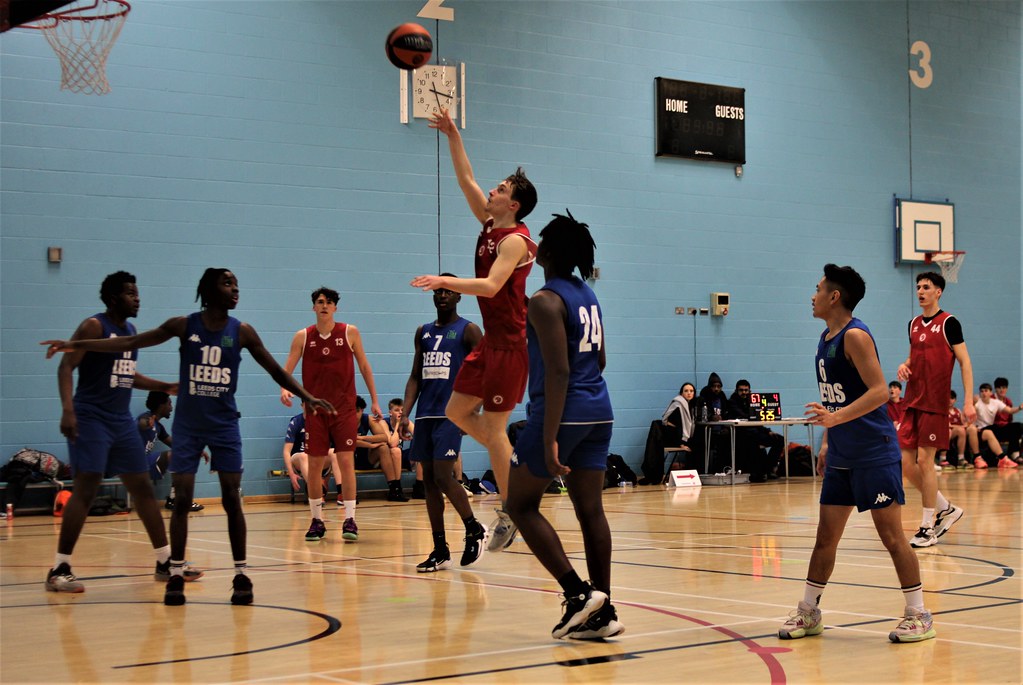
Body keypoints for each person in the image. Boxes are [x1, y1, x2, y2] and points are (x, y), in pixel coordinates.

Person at [44, 268, 334, 606]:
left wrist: (307, 396)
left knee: (165, 490)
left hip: (172, 421)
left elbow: (274, 369)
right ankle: (73, 568)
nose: (236, 289)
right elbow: (98, 355)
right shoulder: (144, 326)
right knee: (117, 488)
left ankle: (190, 565)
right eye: (228, 284)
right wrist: (73, 368)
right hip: (126, 419)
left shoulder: (237, 331)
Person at [778, 263, 935, 644]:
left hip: (873, 453)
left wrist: (834, 420)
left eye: (817, 289)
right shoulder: (825, 336)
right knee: (824, 537)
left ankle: (919, 614)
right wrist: (830, 443)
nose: (811, 296)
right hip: (843, 456)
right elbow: (840, 398)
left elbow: (881, 391)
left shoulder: (856, 336)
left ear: (835, 296)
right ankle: (809, 611)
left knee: (892, 537)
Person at [410, 107, 538, 552]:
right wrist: (452, 134)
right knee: (455, 412)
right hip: (491, 346)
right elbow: (465, 179)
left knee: (495, 429)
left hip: (510, 346)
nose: (491, 189)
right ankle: (515, 464)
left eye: (500, 189)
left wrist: (444, 281)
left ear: (514, 204)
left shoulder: (515, 241)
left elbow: (489, 285)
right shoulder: (488, 225)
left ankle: (511, 508)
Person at [504, 211, 622, 640]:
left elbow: (558, 372)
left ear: (548, 253)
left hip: (564, 411)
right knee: (591, 510)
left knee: (519, 505)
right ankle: (603, 611)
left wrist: (550, 435)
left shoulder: (544, 300)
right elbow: (601, 360)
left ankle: (576, 594)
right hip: (600, 410)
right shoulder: (587, 294)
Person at [40, 271, 189, 594]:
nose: (137, 298)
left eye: (137, 293)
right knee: (86, 487)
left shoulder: (131, 331)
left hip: (120, 420)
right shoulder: (94, 327)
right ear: (112, 299)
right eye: (131, 294)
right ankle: (59, 568)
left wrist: (164, 386)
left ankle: (165, 562)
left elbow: (127, 375)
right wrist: (68, 409)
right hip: (90, 416)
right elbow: (66, 366)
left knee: (143, 488)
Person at [280, 287, 381, 543]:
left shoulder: (350, 332)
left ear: (335, 307)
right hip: (315, 411)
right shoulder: (303, 337)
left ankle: (350, 518)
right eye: (320, 302)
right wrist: (284, 388)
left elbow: (365, 367)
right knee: (314, 466)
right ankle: (316, 520)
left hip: (344, 410)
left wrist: (375, 401)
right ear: (313, 307)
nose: (324, 305)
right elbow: (287, 369)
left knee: (346, 462)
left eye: (329, 302)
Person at [399, 279, 488, 571]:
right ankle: (440, 548)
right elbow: (415, 376)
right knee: (429, 482)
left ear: (459, 296)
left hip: (452, 412)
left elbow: (485, 369)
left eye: (448, 291)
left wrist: (474, 408)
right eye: (438, 291)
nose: (442, 295)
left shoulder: (469, 329)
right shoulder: (422, 332)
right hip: (425, 414)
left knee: (443, 474)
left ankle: (473, 526)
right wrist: (404, 413)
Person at [896, 272, 972, 548]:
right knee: (906, 463)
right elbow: (914, 355)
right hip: (912, 400)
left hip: (935, 403)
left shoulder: (949, 323)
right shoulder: (913, 324)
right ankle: (946, 508)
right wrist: (905, 366)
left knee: (925, 462)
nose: (920, 291)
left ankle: (928, 526)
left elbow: (964, 362)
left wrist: (968, 402)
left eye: (926, 287)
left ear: (938, 291)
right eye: (918, 287)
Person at [137, 391, 204, 512]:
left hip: (144, 463)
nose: (171, 408)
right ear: (161, 406)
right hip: (136, 464)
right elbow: (141, 423)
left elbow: (176, 445)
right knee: (175, 455)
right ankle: (177, 500)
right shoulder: (146, 417)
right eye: (169, 404)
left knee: (181, 453)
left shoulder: (159, 427)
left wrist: (195, 450)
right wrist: (147, 423)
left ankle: (175, 498)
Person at [724, 379, 785, 482]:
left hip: (756, 432)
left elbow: (756, 421)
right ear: (736, 391)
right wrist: (756, 420)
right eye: (741, 390)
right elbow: (748, 417)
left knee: (779, 439)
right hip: (742, 434)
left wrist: (767, 431)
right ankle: (759, 472)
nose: (744, 392)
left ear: (749, 391)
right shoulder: (732, 402)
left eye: (746, 390)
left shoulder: (753, 402)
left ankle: (769, 469)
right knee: (753, 442)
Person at [282, 412, 342, 502]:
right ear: (302, 405)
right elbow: (286, 451)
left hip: (318, 457)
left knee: (334, 452)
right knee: (304, 455)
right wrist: (291, 473)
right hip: (298, 458)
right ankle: (317, 491)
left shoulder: (324, 420)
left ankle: (341, 493)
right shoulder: (296, 421)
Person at [367, 398, 412, 502]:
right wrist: (397, 425)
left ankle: (421, 486)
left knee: (421, 450)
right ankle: (396, 488)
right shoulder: (383, 422)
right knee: (395, 450)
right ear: (390, 412)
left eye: (402, 410)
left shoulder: (405, 421)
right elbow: (392, 443)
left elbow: (419, 434)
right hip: (384, 457)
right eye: (397, 410)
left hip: (398, 458)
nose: (400, 412)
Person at [972, 383, 1022, 468]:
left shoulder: (995, 402)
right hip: (981, 430)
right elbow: (971, 415)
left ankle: (1014, 454)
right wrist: (972, 403)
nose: (984, 393)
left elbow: (1009, 410)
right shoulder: (977, 403)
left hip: (992, 428)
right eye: (982, 391)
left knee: (1017, 427)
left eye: (986, 391)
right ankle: (1002, 458)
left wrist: (1019, 408)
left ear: (991, 393)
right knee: (991, 430)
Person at [990, 377, 1022, 463]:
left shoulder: (1008, 401)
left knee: (1017, 427)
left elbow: (1010, 419)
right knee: (1016, 427)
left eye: (1004, 388)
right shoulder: (991, 400)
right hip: (993, 428)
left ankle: (1014, 454)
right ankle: (1013, 454)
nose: (1002, 390)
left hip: (1004, 428)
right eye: (999, 388)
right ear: (995, 389)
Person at [940, 390, 970, 469]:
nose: (949, 400)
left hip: (956, 432)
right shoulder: (942, 411)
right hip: (944, 433)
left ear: (955, 400)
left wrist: (967, 425)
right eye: (948, 398)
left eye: (952, 398)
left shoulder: (958, 411)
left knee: (967, 429)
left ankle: (961, 458)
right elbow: (947, 425)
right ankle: (942, 459)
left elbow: (964, 423)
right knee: (948, 431)